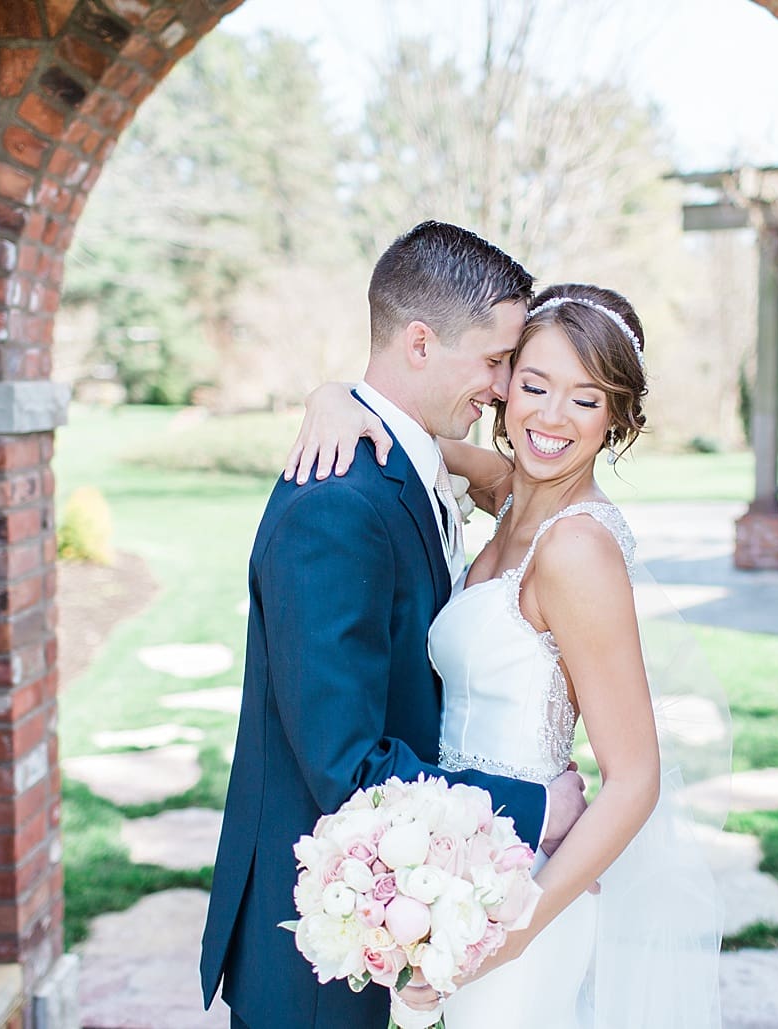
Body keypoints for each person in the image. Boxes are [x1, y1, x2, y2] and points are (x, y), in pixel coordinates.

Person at [288, 283, 723, 1027]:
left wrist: (510, 935)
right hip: (451, 873)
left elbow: (635, 778)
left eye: (586, 400)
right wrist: (330, 397)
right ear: (501, 387)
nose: (551, 417)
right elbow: (397, 421)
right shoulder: (514, 493)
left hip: (523, 899)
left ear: (617, 418)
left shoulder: (577, 548)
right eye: (534, 384)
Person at [199, 222, 592, 1029]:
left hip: (410, 911)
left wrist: (333, 391)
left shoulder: (411, 462)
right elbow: (344, 766)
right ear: (419, 341)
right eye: (493, 362)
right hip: (320, 951)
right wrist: (532, 809)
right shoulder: (337, 506)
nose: (500, 388)